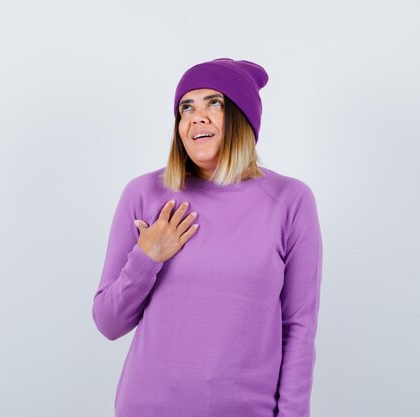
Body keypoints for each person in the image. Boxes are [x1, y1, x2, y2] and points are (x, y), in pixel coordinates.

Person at [91, 57, 323, 417]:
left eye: (214, 102)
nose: (197, 116)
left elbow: (298, 328)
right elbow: (108, 323)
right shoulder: (144, 194)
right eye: (187, 107)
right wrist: (147, 256)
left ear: (243, 117)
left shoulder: (290, 201)